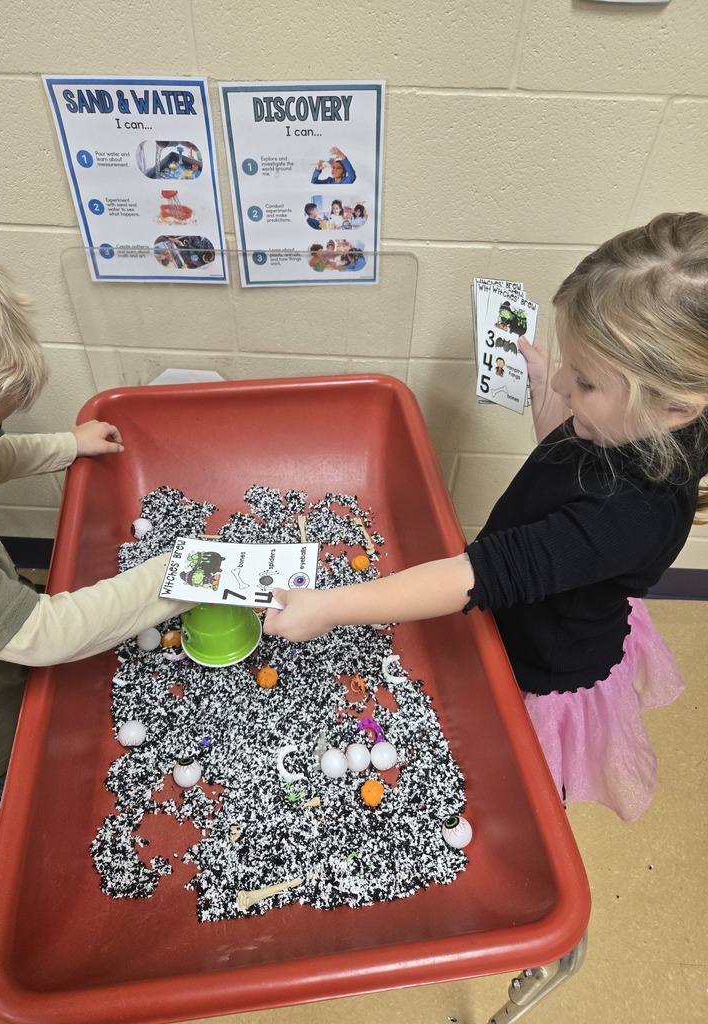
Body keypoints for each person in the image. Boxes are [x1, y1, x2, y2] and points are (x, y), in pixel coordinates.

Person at [264, 211, 708, 823]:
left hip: (541, 660)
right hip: (539, 600)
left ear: (676, 407)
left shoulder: (630, 515)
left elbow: (484, 574)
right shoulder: (636, 424)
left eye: (583, 381)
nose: (564, 382)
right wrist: (548, 389)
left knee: (514, 776)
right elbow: (567, 457)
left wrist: (327, 608)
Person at [0, 231, 195, 815]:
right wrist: (182, 573)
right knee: (27, 801)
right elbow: (45, 632)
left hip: (1, 664)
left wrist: (65, 445)